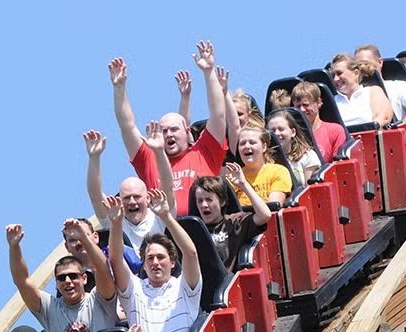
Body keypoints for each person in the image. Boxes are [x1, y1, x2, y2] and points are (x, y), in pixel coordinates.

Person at [109, 41, 240, 213]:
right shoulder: (149, 157)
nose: (168, 134)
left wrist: (209, 73)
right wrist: (119, 88)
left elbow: (218, 114)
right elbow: (127, 127)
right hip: (165, 233)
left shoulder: (205, 151)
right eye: (164, 131)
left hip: (205, 229)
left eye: (174, 129)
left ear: (187, 132)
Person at [7, 221, 119, 332]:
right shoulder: (50, 308)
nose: (67, 281)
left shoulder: (99, 298)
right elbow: (22, 281)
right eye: (61, 278)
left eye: (73, 276)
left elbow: (102, 267)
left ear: (84, 278)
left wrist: (83, 238)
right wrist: (14, 247)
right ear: (57, 283)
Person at [108, 189, 203, 332]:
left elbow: (190, 253)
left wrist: (166, 217)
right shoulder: (135, 290)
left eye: (161, 257)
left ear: (172, 262)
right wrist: (116, 223)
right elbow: (116, 259)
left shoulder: (184, 286)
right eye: (150, 258)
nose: (155, 262)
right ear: (144, 264)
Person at [86, 128, 170, 250]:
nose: (131, 202)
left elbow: (168, 185)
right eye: (126, 198)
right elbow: (95, 195)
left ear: (147, 198)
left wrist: (159, 151)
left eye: (136, 196)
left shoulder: (160, 214)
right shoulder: (115, 221)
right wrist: (94, 157)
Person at [191, 166, 272, 284]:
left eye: (209, 199)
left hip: (225, 286)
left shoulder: (234, 222)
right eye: (200, 200)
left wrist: (243, 184)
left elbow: (265, 215)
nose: (203, 205)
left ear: (222, 201)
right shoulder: (193, 229)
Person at [354, 44, 406, 120]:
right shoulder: (350, 95)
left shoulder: (398, 87)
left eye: (365, 63)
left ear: (380, 62)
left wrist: (401, 127)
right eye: (357, 66)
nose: (361, 68)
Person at [231, 126, 292, 205]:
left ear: (264, 147)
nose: (246, 146)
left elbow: (273, 207)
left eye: (252, 142)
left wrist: (244, 185)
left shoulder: (279, 171)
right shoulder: (232, 178)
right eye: (242, 143)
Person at [330, 53, 393, 126]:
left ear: (356, 73)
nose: (335, 79)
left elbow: (383, 117)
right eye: (333, 75)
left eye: (339, 73)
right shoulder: (332, 102)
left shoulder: (372, 92)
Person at [293, 81, 347, 160]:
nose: (302, 110)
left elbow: (337, 165)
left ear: (318, 103)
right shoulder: (293, 135)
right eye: (298, 106)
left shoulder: (335, 130)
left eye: (306, 105)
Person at [267, 110, 321, 186]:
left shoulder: (308, 156)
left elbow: (309, 190)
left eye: (281, 129)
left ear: (293, 132)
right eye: (272, 131)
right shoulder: (266, 160)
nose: (276, 133)